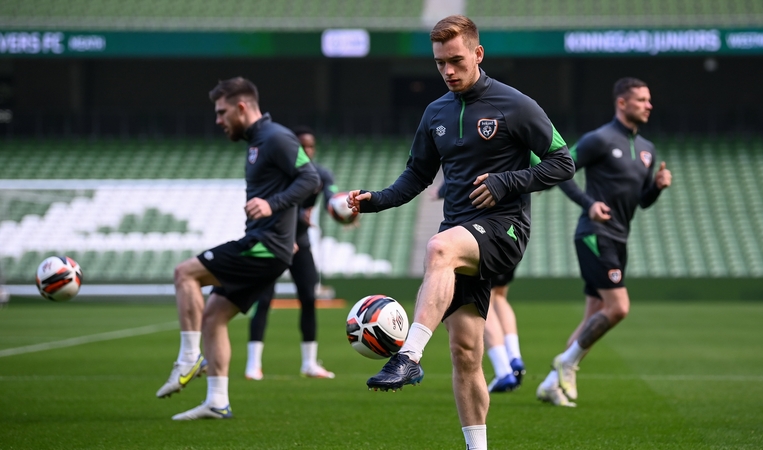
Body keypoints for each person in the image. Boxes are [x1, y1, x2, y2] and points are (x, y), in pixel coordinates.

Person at [346, 15, 575, 450]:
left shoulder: (516, 105)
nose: (448, 71)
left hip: (505, 230)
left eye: (455, 60)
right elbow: (415, 177)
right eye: (439, 64)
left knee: (438, 247)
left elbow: (563, 161)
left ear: (477, 54)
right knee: (466, 354)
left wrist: (508, 181)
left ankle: (408, 355)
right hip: (460, 233)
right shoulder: (436, 113)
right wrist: (373, 199)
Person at [156, 77, 320, 420]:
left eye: (221, 112)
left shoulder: (276, 137)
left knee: (184, 273)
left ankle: (188, 358)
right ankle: (217, 401)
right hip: (269, 246)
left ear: (242, 107)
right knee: (214, 316)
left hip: (263, 247)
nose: (218, 120)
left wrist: (272, 205)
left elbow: (310, 179)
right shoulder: (258, 140)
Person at [536, 77, 672, 407]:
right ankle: (567, 364)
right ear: (622, 103)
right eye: (641, 99)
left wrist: (657, 187)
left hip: (619, 238)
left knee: (592, 319)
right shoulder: (599, 139)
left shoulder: (647, 150)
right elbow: (558, 169)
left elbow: (641, 201)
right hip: (595, 236)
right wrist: (589, 204)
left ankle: (551, 384)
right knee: (619, 308)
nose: (648, 105)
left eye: (649, 99)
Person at [245, 126, 336, 381]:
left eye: (310, 146)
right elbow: (276, 205)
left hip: (300, 243)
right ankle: (253, 365)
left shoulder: (319, 174)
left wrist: (342, 210)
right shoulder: (280, 174)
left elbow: (331, 196)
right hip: (274, 239)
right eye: (302, 146)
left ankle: (309, 363)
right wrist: (292, 226)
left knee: (308, 298)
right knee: (263, 300)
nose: (307, 150)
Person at [432, 183, 526, 394]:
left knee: (486, 300)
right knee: (500, 296)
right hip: (512, 229)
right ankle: (514, 355)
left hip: (484, 231)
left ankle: (503, 370)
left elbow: (469, 167)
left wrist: (442, 190)